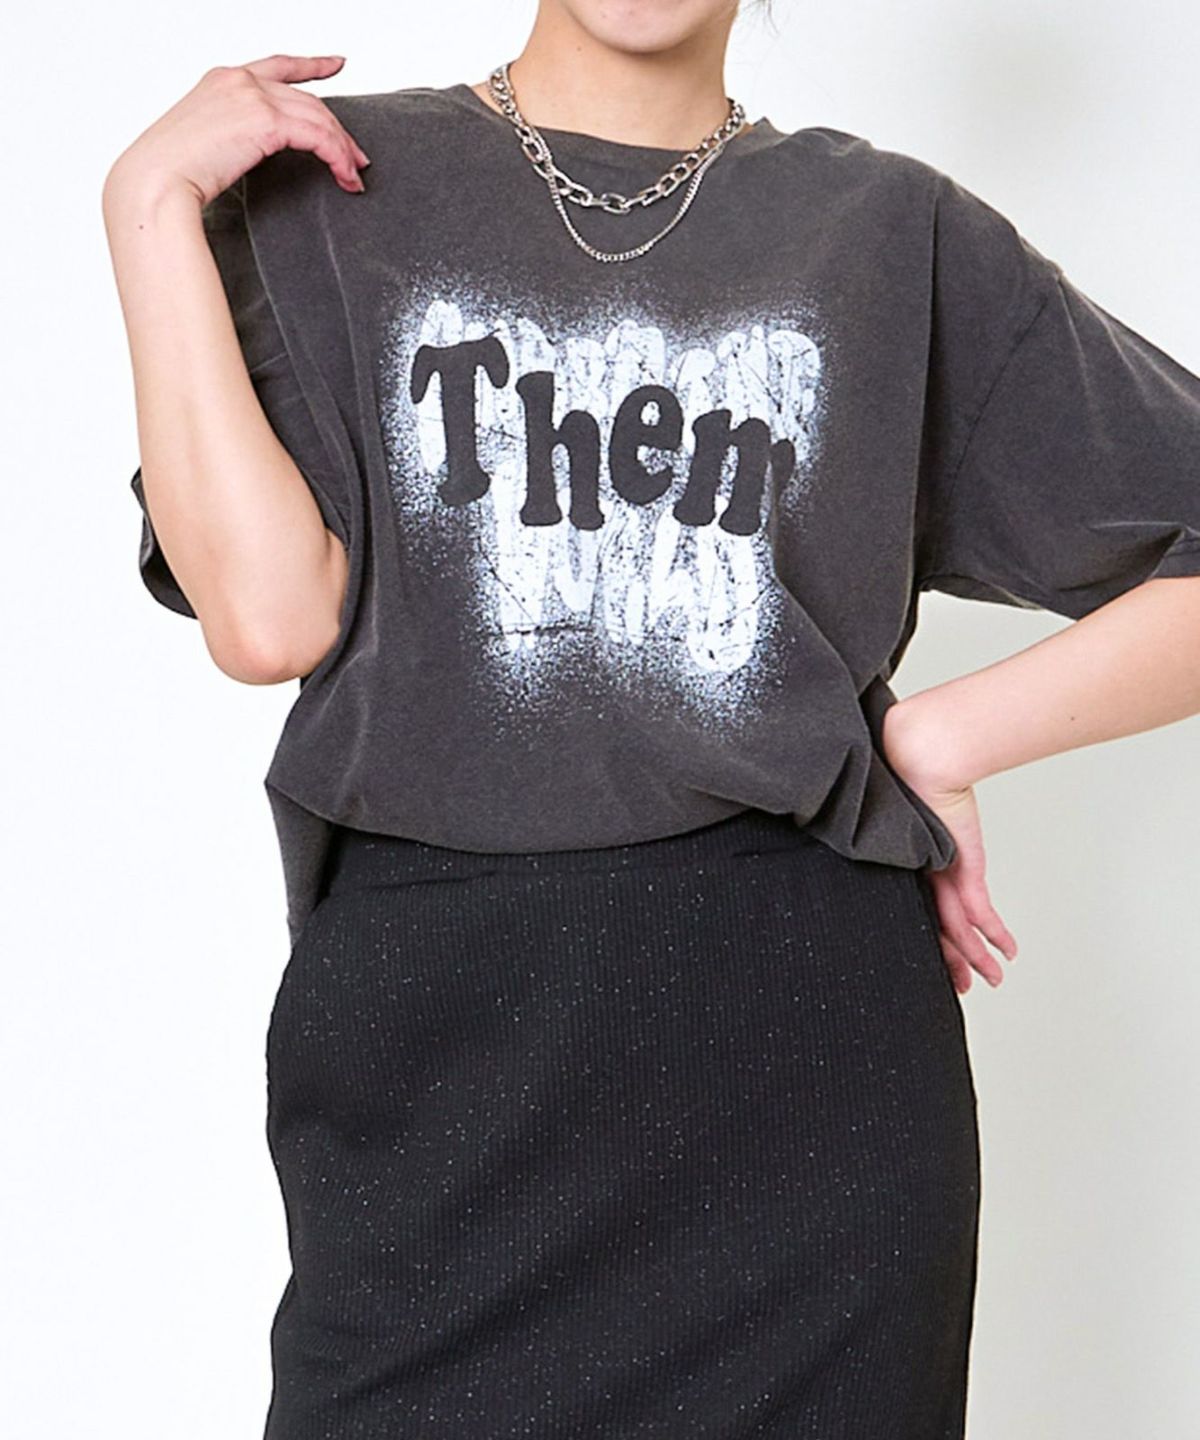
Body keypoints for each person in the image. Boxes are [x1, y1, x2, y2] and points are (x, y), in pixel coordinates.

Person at [101, 2, 1200, 1434]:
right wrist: (146, 206)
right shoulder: (323, 186)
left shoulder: (889, 233)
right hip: (438, 1065)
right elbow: (267, 621)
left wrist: (942, 738)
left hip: (801, 1054)